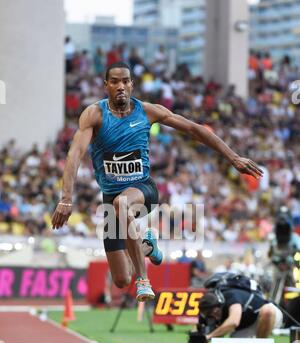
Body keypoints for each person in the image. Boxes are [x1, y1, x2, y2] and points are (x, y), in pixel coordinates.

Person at [51, 62, 263, 302]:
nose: (120, 86)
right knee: (121, 279)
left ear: (132, 84)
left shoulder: (148, 111)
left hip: (143, 191)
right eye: (114, 82)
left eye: (125, 81)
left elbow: (195, 130)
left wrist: (233, 158)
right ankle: (147, 246)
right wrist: (66, 198)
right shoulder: (94, 115)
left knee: (123, 204)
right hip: (110, 200)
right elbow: (74, 155)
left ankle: (144, 281)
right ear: (106, 85)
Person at [198, 288, 283, 340]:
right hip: (246, 325)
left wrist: (209, 337)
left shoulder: (231, 296)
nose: (214, 317)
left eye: (215, 312)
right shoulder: (206, 315)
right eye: (210, 315)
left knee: (267, 311)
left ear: (220, 305)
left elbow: (233, 323)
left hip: (268, 314)